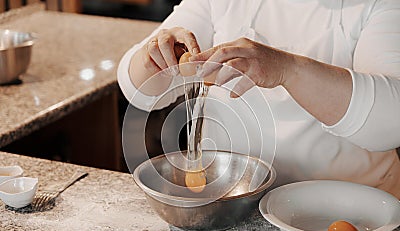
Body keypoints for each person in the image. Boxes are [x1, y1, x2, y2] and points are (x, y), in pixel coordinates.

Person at [118, 0, 400, 198]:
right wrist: (153, 57)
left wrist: (288, 69)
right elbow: (139, 91)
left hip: (350, 212)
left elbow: (391, 121)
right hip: (232, 201)